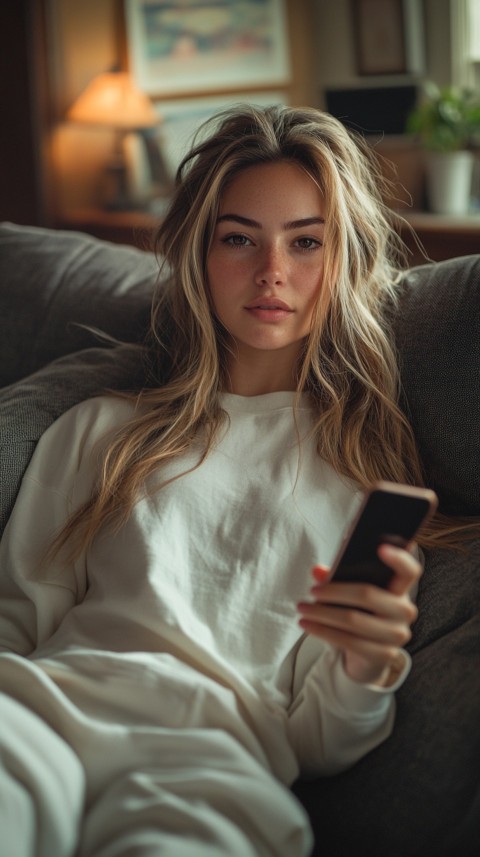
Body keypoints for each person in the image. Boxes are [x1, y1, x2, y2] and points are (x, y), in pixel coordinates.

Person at [0, 104, 460, 857]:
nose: (271, 272)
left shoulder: (367, 480)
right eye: (239, 238)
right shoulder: (98, 430)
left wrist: (367, 664)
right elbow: (14, 625)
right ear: (199, 255)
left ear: (341, 258)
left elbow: (319, 741)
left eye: (306, 242)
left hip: (213, 758)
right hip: (45, 708)